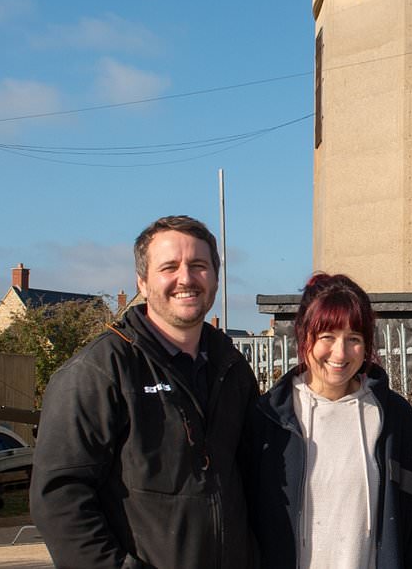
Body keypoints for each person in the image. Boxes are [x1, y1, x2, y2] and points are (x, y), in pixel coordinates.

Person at [31, 215, 258, 568]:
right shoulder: (99, 372)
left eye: (199, 265)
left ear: (215, 277)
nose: (186, 278)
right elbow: (59, 497)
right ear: (143, 281)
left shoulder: (233, 370)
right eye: (170, 267)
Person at [247, 273, 412, 568]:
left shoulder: (392, 417)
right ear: (303, 334)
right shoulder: (270, 418)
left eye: (354, 339)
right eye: (327, 337)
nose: (340, 353)